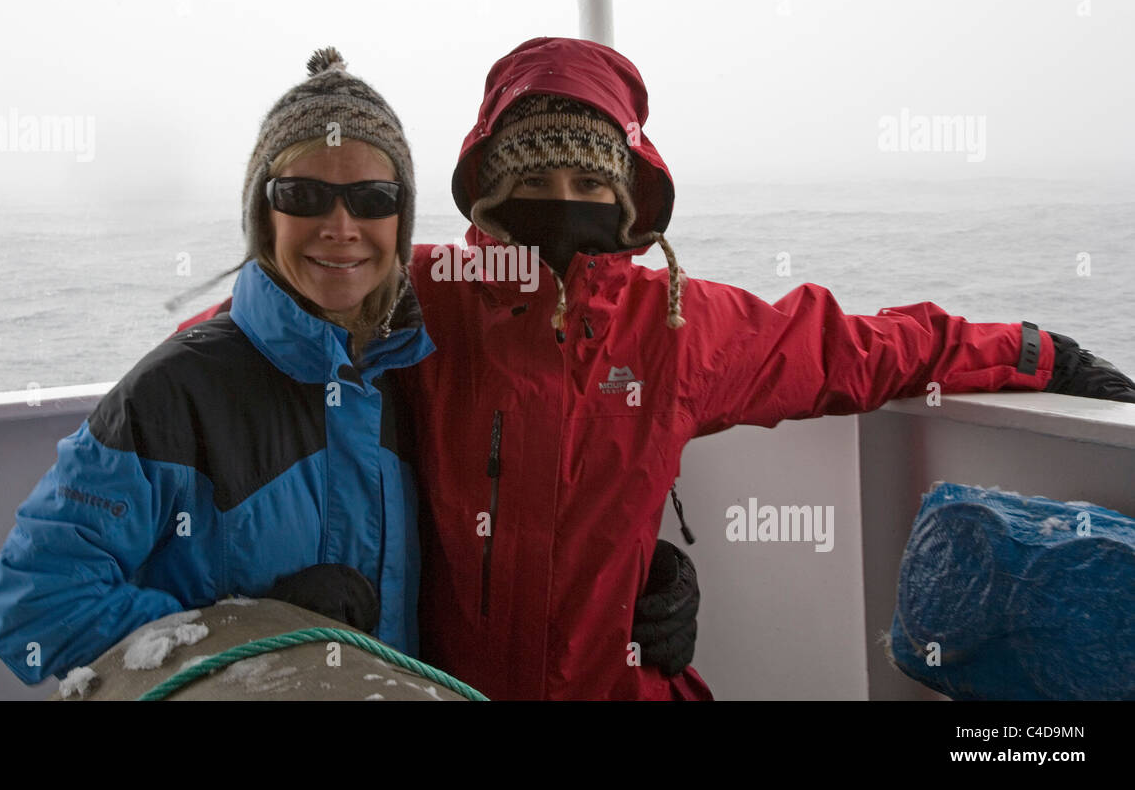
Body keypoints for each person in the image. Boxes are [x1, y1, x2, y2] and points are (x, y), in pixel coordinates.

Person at [177, 37, 1135, 700]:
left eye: (591, 184)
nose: (566, 205)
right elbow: (265, 339)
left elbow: (863, 347)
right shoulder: (436, 295)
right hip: (448, 684)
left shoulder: (680, 327)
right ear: (492, 194)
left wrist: (1036, 352)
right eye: (537, 182)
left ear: (630, 200)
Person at [0, 48, 435, 684]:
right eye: (304, 195)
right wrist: (257, 629)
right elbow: (34, 608)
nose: (341, 225)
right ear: (263, 215)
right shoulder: (173, 394)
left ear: (401, 219)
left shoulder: (411, 377)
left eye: (372, 197)